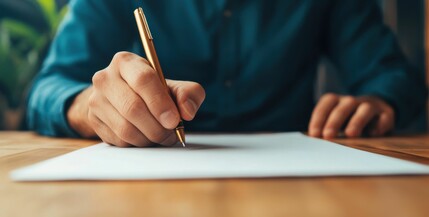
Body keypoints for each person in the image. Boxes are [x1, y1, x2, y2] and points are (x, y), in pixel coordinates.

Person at [27, 0, 426, 147]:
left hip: (296, 182)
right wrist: (89, 107)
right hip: (146, 181)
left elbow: (394, 77)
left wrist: (378, 101)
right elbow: (48, 89)